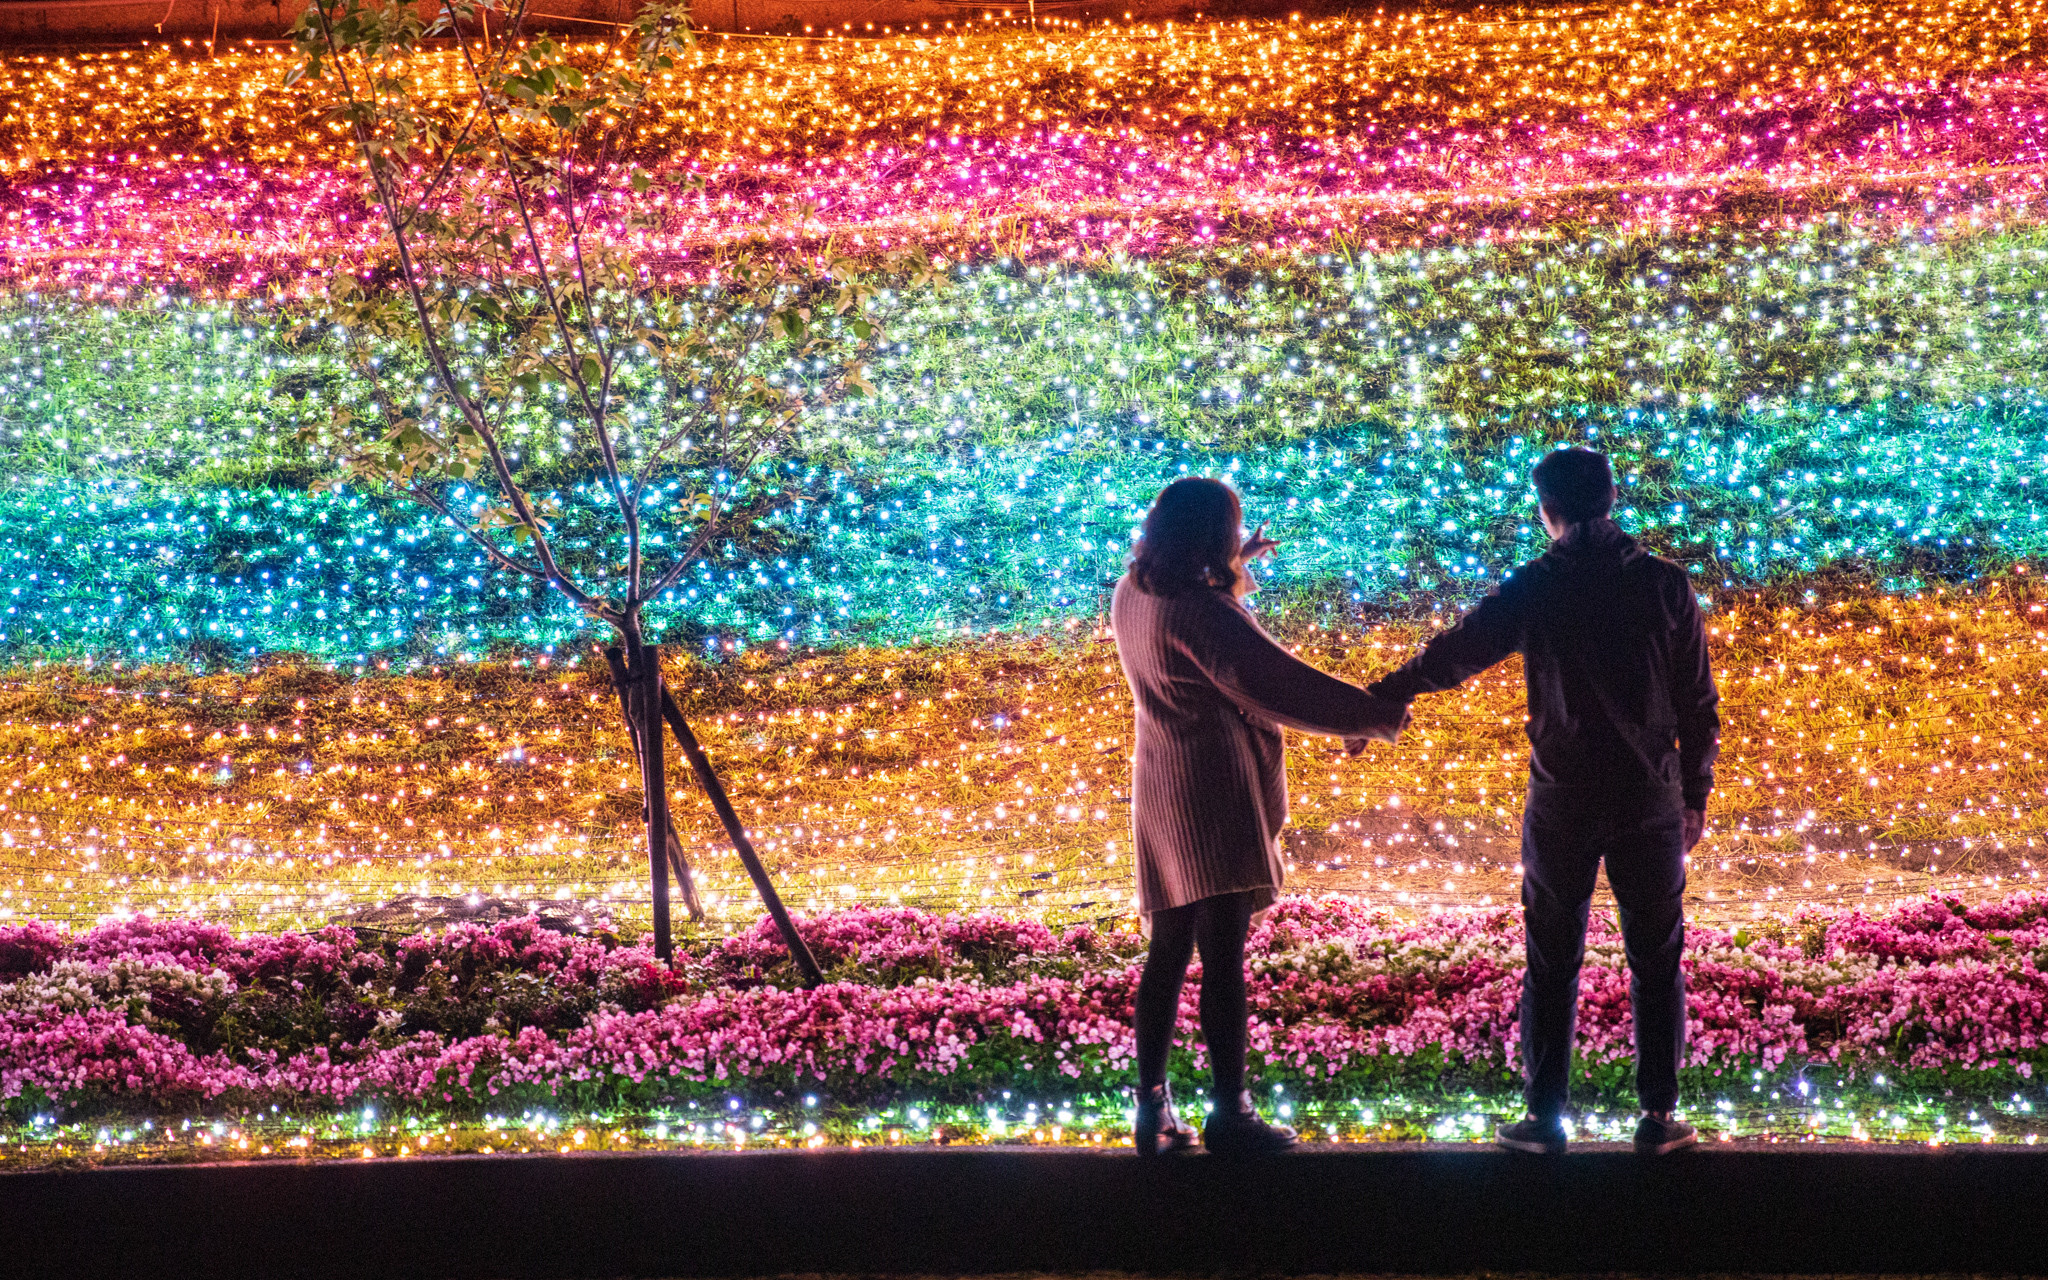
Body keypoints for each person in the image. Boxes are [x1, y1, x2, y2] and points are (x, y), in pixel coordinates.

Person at [1365, 447, 1718, 1156]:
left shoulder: (1537, 586)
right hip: (1650, 794)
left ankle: (1545, 1118)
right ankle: (1658, 1116)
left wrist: (1384, 693)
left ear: (1546, 510)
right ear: (1612, 499)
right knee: (1657, 955)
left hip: (1562, 797)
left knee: (1552, 957)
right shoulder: (1665, 585)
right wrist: (1695, 793)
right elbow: (1697, 701)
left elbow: (1459, 652)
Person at [1112, 477, 1407, 1156]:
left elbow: (1225, 640)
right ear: (1207, 537)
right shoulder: (1200, 611)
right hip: (1210, 790)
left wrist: (1238, 556)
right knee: (1222, 956)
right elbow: (1272, 679)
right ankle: (1229, 1113)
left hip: (1159, 781)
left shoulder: (1135, 589)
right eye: (1231, 527)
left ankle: (1150, 1107)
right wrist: (1368, 714)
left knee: (1167, 951)